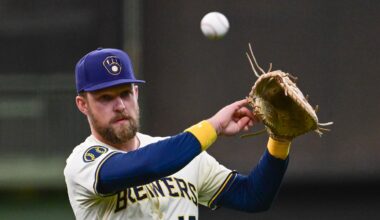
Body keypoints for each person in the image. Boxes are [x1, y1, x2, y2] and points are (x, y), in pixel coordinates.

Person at [64, 48, 291, 220]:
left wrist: (280, 140)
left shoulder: (182, 154)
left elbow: (252, 196)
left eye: (125, 93)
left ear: (136, 93)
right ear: (83, 105)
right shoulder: (84, 162)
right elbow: (148, 166)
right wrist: (213, 126)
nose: (120, 105)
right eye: (106, 97)